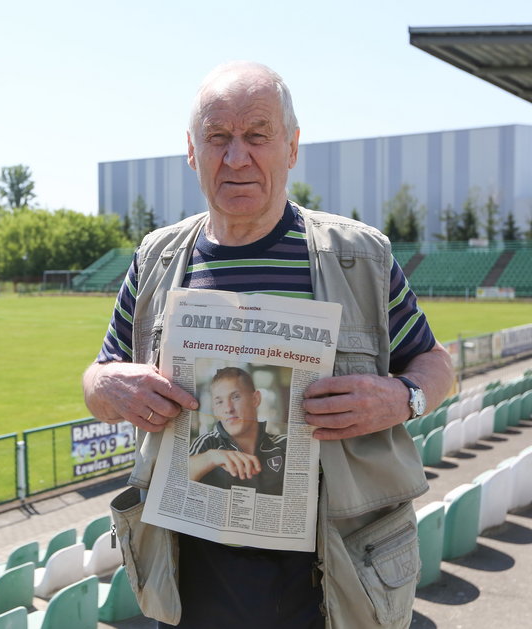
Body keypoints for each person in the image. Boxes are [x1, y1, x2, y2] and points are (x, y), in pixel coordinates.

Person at [82, 61, 454, 629]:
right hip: (190, 573)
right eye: (218, 138)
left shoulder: (358, 257)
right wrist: (103, 385)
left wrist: (403, 399)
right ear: (191, 150)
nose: (236, 158)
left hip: (329, 576)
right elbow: (101, 377)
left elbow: (435, 364)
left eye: (257, 135)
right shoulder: (156, 259)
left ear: (292, 147)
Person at [189, 367, 286, 494]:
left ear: (255, 399)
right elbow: (175, 480)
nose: (228, 409)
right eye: (219, 402)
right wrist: (210, 457)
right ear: (214, 408)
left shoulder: (284, 445)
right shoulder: (207, 444)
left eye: (235, 397)